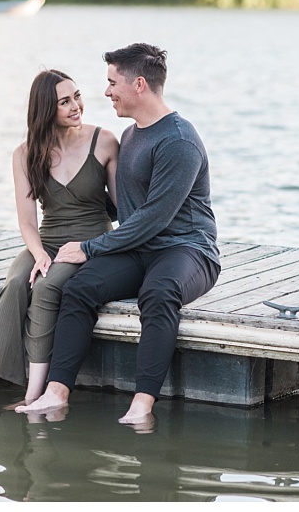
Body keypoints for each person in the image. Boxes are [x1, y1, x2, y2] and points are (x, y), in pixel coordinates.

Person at [17, 43, 219, 427]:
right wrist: (75, 194)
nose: (106, 92)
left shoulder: (179, 141)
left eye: (112, 83)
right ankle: (56, 393)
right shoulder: (130, 136)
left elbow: (153, 219)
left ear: (138, 85)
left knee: (158, 293)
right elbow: (122, 207)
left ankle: (142, 403)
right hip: (138, 247)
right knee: (78, 289)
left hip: (188, 250)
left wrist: (89, 247)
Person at [0, 69, 120, 410]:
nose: (76, 106)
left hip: (87, 242)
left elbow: (124, 207)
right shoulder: (24, 154)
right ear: (47, 109)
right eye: (65, 102)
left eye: (77, 96)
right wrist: (39, 255)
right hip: (45, 240)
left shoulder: (104, 141)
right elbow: (27, 221)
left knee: (46, 287)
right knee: (17, 282)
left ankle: (34, 393)